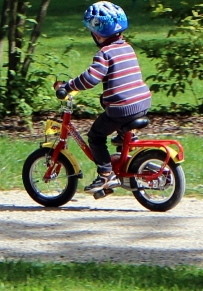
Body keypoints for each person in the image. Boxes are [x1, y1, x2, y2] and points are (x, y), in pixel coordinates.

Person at [54, 1, 152, 193]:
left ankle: (106, 174)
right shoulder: (127, 48)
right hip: (142, 102)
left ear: (96, 33)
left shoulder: (104, 53)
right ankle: (124, 137)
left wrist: (69, 86)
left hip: (122, 109)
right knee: (107, 101)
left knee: (96, 136)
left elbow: (91, 78)